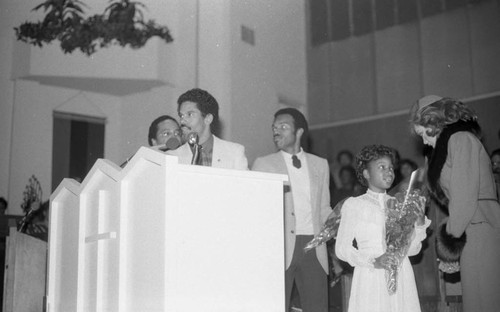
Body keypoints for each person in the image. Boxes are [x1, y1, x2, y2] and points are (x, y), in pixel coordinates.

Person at [410, 95, 500, 312]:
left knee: (483, 301)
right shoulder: (454, 142)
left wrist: (449, 240)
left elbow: (464, 197)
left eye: (422, 133)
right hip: (473, 226)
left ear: (433, 122)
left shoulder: (460, 139)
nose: (423, 141)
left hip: (479, 225)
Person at [252, 108, 331, 312]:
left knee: (317, 307)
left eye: (283, 127)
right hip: (280, 246)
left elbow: (324, 208)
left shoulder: (320, 165)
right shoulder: (263, 164)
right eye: (274, 127)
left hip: (314, 245)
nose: (276, 131)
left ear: (299, 132)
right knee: (275, 306)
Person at [335, 144, 430, 312]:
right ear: (366, 173)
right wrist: (374, 261)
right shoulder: (355, 205)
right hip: (370, 275)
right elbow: (342, 249)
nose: (389, 172)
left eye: (391, 168)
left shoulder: (400, 205)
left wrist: (420, 222)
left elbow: (413, 250)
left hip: (401, 276)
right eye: (382, 167)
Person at [167, 88, 248, 170]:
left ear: (208, 119)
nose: (182, 121)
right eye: (181, 115)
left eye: (189, 114)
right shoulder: (172, 157)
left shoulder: (234, 153)